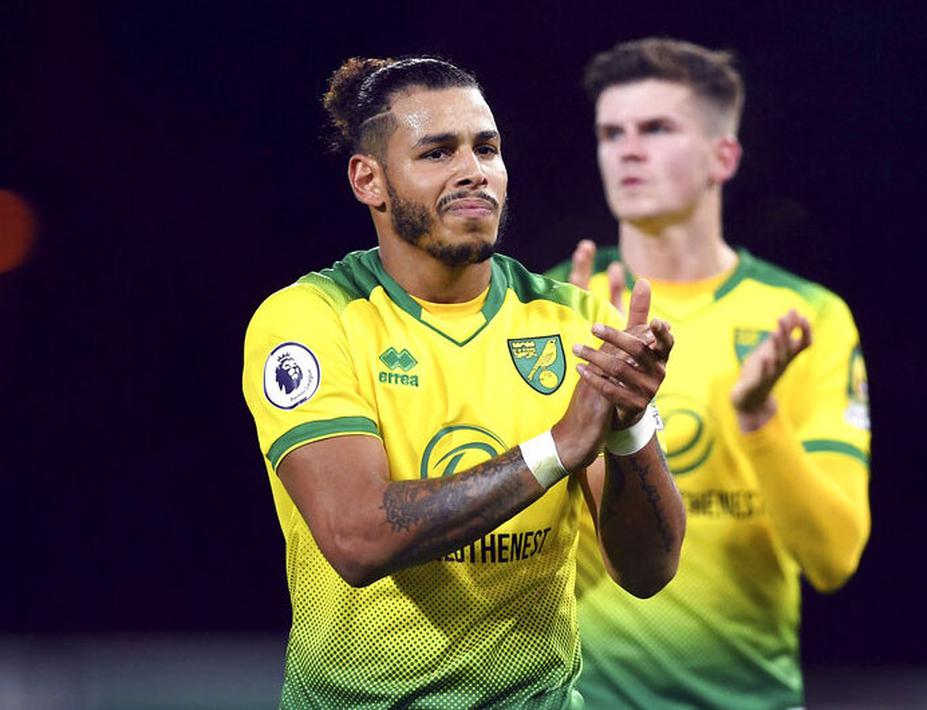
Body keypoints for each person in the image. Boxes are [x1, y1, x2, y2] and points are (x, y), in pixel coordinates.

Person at [240, 55, 686, 709]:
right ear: (370, 180)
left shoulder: (576, 320)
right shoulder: (310, 320)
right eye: (436, 152)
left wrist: (628, 426)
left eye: (487, 148)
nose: (473, 170)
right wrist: (557, 447)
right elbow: (356, 539)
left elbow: (647, 572)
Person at [548, 38, 872, 708]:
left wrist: (758, 420)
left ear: (722, 157)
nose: (627, 150)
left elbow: (833, 558)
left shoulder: (806, 317)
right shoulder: (549, 308)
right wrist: (569, 399)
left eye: (656, 129)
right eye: (611, 133)